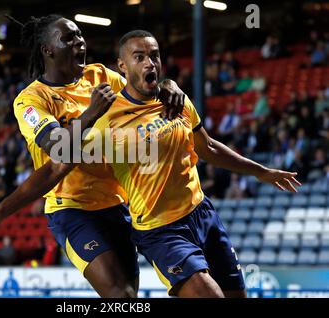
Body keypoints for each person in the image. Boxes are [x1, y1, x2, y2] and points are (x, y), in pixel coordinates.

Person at [0, 15, 186, 298]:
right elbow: (58, 151)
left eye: (79, 35)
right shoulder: (31, 101)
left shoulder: (102, 76)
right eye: (68, 37)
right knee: (120, 294)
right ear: (48, 50)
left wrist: (168, 86)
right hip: (72, 209)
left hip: (118, 203)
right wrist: (91, 113)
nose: (79, 41)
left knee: (129, 295)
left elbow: (144, 89)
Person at [80, 30, 300, 298]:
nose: (150, 63)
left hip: (202, 215)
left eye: (154, 56)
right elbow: (66, 156)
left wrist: (260, 171)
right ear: (122, 65)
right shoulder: (106, 118)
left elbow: (206, 147)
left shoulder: (175, 99)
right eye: (139, 57)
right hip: (160, 231)